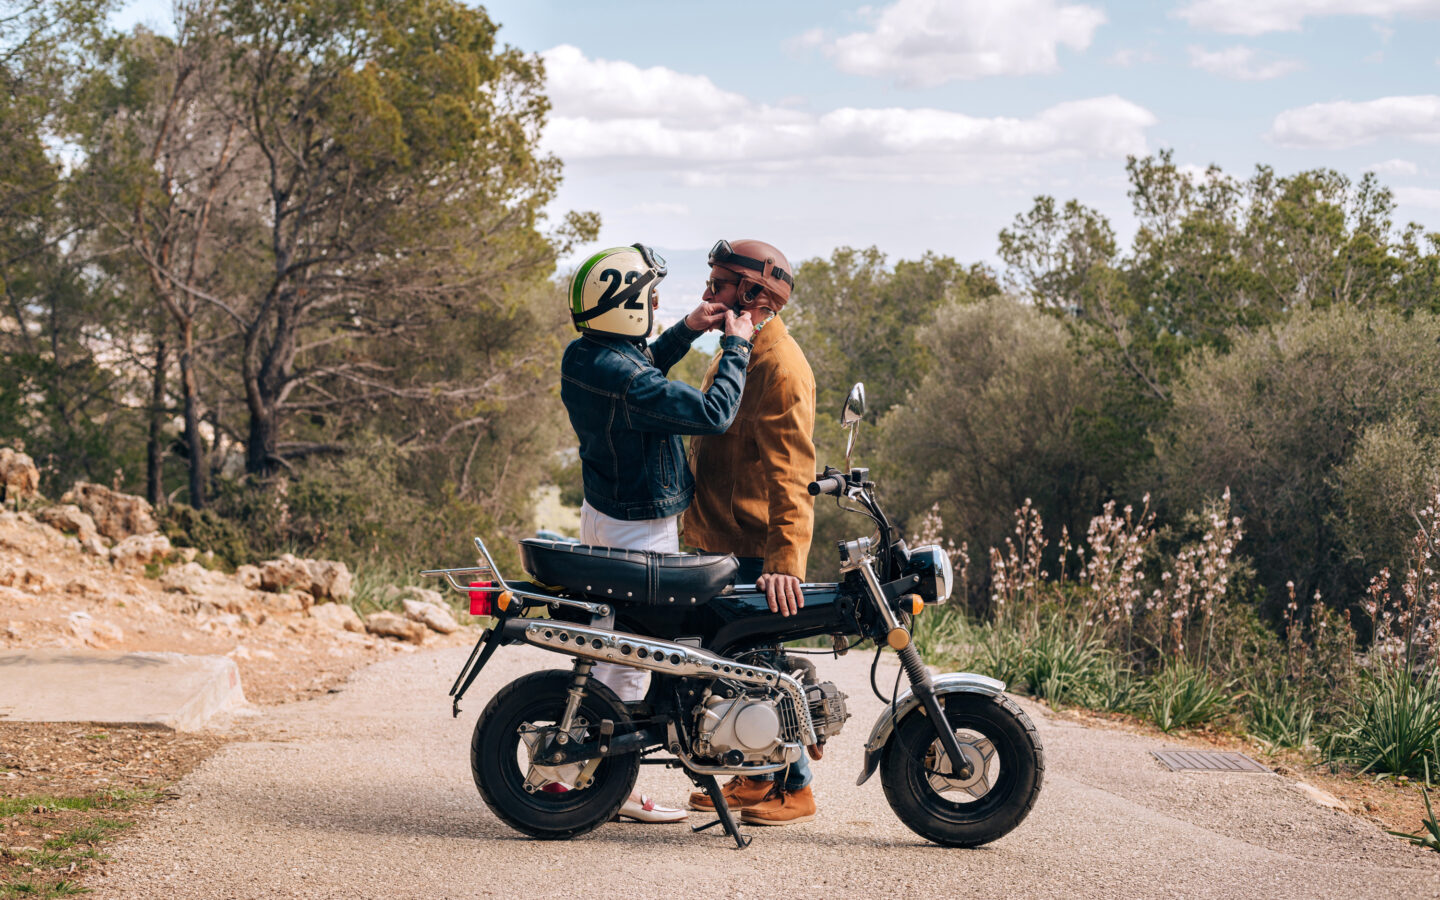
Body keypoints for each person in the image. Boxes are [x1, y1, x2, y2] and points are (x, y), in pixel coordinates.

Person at [560, 242, 755, 823]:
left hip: (604, 513)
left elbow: (640, 368)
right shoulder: (627, 380)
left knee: (601, 647)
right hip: (640, 527)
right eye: (648, 294)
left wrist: (687, 329)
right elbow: (714, 414)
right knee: (633, 660)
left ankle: (581, 773)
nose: (658, 300)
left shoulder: (584, 355)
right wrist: (736, 345)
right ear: (625, 307)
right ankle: (605, 786)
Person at [681, 238, 820, 826]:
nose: (708, 295)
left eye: (718, 285)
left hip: (748, 547)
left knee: (759, 666)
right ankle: (757, 779)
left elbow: (794, 473)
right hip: (719, 537)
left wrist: (785, 560)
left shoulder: (780, 368)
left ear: (756, 295)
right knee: (738, 665)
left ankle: (792, 788)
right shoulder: (743, 346)